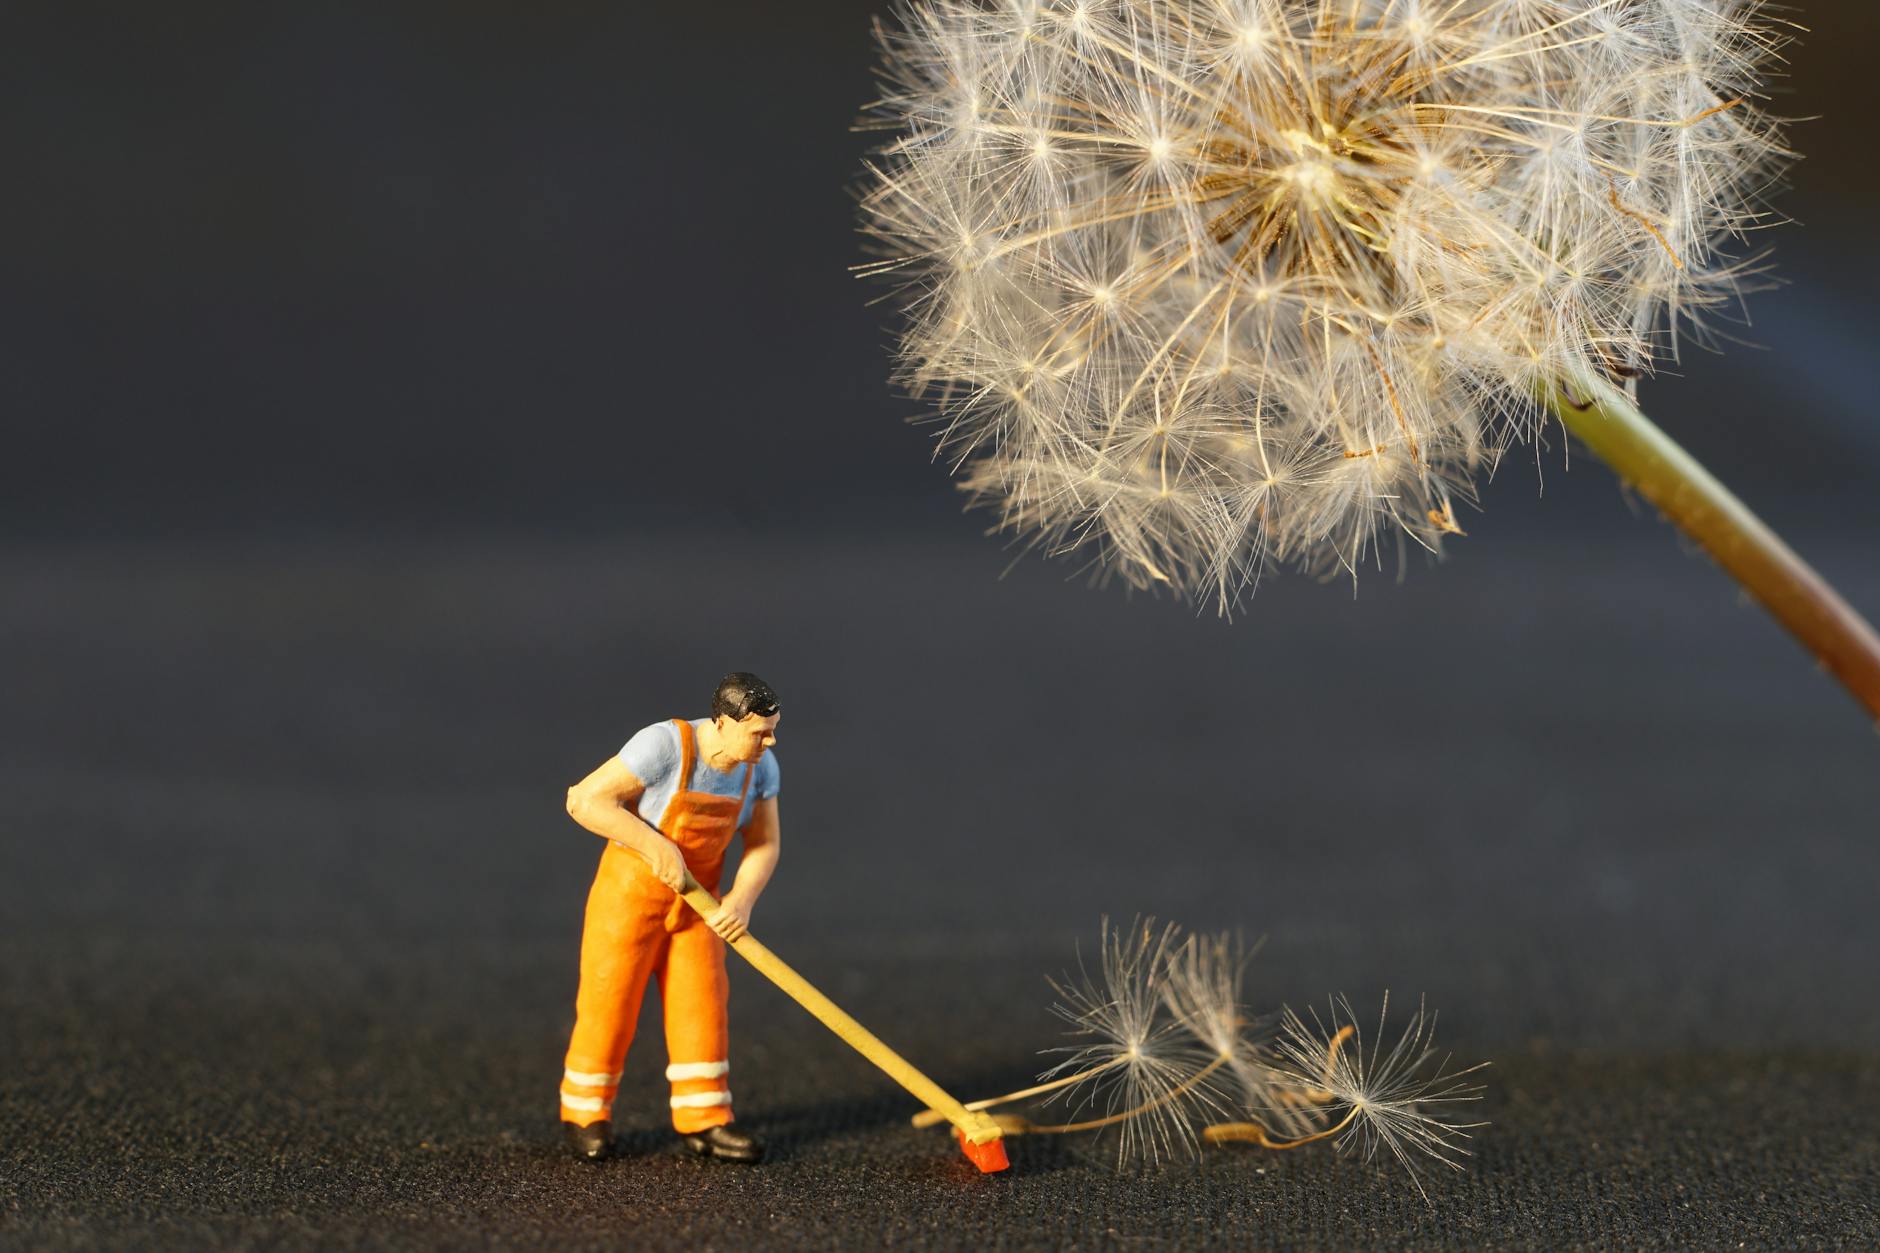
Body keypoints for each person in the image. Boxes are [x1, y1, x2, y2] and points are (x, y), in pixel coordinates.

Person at [558, 672, 782, 1163]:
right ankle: (586, 1113)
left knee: (702, 1007)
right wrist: (652, 842)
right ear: (723, 723)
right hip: (628, 901)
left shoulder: (759, 769)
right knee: (609, 1003)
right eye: (759, 732)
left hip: (699, 909)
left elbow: (764, 843)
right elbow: (584, 800)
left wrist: (741, 900)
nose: (769, 741)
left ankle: (704, 1118)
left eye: (772, 730)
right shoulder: (665, 746)